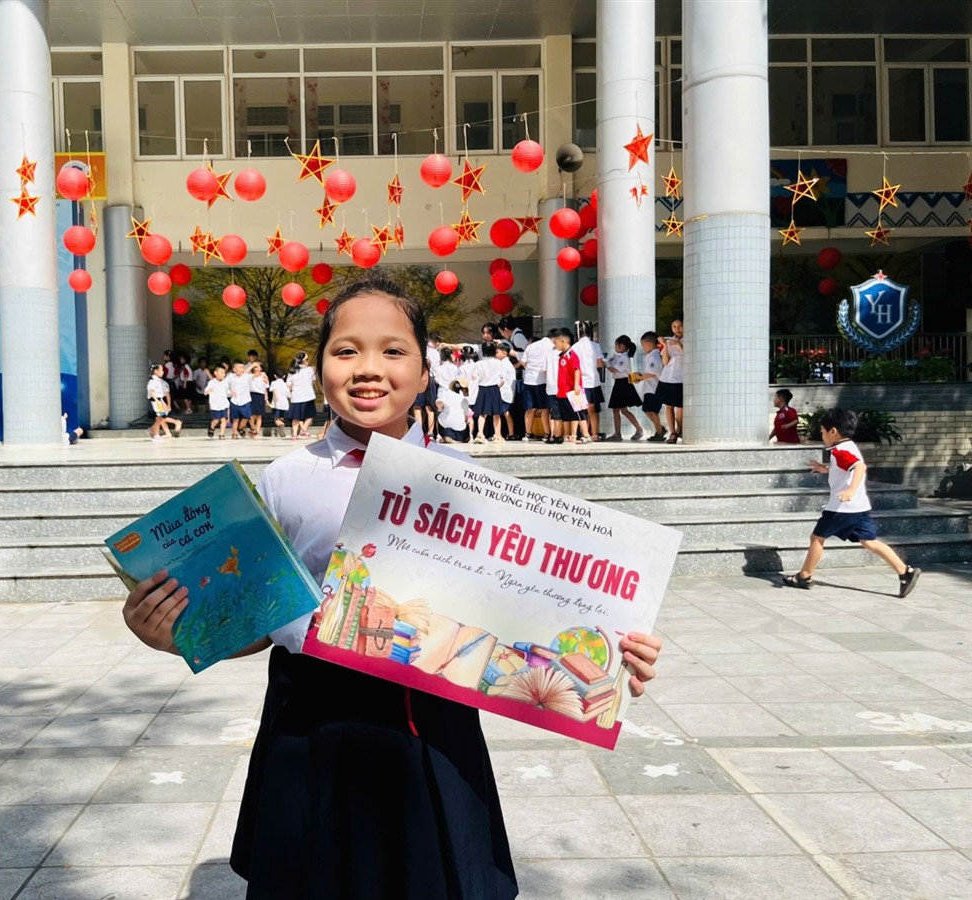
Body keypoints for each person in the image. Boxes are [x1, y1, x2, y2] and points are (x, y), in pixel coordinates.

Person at [121, 275, 666, 898]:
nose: (368, 369)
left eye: (393, 350)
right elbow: (261, 622)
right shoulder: (284, 481)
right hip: (313, 724)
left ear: (425, 371)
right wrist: (179, 631)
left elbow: (520, 615)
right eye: (345, 350)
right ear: (319, 369)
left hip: (430, 729)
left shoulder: (466, 477)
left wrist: (614, 656)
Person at [782, 408, 921, 598]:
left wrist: (850, 490)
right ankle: (905, 572)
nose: (821, 435)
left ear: (833, 431)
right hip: (859, 507)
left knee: (817, 538)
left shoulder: (839, 450)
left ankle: (804, 576)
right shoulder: (848, 446)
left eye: (822, 431)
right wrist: (826, 469)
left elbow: (859, 467)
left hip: (841, 508)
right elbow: (846, 468)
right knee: (869, 541)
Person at [605, 336, 645, 441]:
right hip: (619, 383)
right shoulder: (619, 356)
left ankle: (637, 430)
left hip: (624, 384)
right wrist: (609, 360)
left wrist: (606, 362)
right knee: (619, 410)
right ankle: (620, 433)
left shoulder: (624, 357)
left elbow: (613, 369)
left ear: (621, 345)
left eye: (616, 345)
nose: (615, 347)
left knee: (621, 410)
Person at [572, 322, 605, 441]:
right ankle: (594, 434)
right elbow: (600, 363)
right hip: (593, 381)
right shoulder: (595, 345)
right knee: (593, 410)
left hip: (580, 382)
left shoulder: (575, 347)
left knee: (581, 410)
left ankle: (584, 434)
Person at [655, 318, 684, 443]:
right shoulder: (669, 341)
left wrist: (679, 345)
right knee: (668, 405)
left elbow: (690, 356)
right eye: (674, 326)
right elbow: (665, 361)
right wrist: (665, 345)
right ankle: (672, 432)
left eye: (680, 326)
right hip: (667, 377)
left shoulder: (689, 339)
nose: (677, 329)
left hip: (681, 377)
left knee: (681, 406)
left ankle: (679, 429)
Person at [521, 329, 553, 442]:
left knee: (530, 408)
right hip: (543, 380)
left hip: (529, 380)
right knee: (544, 408)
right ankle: (547, 433)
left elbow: (523, 362)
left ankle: (527, 434)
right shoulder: (551, 347)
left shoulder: (531, 346)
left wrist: (530, 369)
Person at [471, 340, 506, 444]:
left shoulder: (479, 364)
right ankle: (497, 435)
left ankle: (480, 434)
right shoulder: (498, 363)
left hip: (482, 388)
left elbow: (474, 377)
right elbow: (503, 379)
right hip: (494, 389)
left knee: (482, 413)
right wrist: (498, 386)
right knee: (496, 414)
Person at [636, 332, 667, 441]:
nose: (643, 347)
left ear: (649, 343)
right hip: (649, 388)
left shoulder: (654, 356)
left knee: (653, 411)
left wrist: (640, 377)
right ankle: (660, 428)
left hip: (654, 388)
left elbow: (652, 373)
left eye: (643, 345)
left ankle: (659, 432)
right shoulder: (650, 356)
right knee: (647, 409)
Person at [287, 351, 317, 440]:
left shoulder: (292, 371)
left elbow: (288, 385)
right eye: (307, 359)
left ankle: (294, 434)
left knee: (295, 417)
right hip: (308, 396)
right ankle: (304, 429)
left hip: (296, 397)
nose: (308, 361)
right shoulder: (309, 370)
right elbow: (314, 381)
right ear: (304, 361)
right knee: (310, 415)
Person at [147, 364, 180, 440]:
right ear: (156, 371)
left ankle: (154, 431)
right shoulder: (152, 381)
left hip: (161, 400)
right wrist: (156, 400)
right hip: (155, 401)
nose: (163, 372)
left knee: (160, 418)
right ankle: (155, 432)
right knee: (159, 418)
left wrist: (168, 404)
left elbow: (167, 394)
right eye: (161, 370)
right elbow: (152, 392)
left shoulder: (163, 382)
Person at [493, 340, 518, 441]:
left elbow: (502, 379)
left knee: (500, 413)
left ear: (504, 353)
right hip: (508, 392)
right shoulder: (508, 364)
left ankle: (498, 434)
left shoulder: (503, 364)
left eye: (497, 352)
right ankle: (511, 433)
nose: (495, 354)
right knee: (506, 413)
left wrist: (495, 388)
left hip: (503, 392)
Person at [436, 379, 471, 443]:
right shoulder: (464, 400)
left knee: (440, 418)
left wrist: (442, 407)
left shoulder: (447, 394)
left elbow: (438, 402)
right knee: (464, 430)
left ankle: (445, 437)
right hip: (459, 428)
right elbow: (466, 418)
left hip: (445, 426)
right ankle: (455, 438)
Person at [227, 361, 253, 439]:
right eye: (240, 367)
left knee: (246, 416)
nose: (242, 369)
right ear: (234, 369)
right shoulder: (230, 377)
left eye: (243, 367)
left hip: (245, 400)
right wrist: (230, 393)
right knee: (235, 419)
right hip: (234, 400)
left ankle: (240, 427)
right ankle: (234, 433)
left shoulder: (247, 376)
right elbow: (225, 386)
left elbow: (256, 376)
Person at [203, 365, 230, 438]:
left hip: (224, 404)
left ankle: (221, 434)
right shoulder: (211, 382)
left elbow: (227, 392)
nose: (223, 374)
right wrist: (207, 391)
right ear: (215, 373)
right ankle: (212, 427)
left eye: (224, 373)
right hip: (215, 405)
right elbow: (205, 391)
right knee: (216, 420)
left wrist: (231, 393)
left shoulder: (225, 382)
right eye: (221, 372)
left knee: (223, 419)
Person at [249, 362, 270, 438]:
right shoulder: (250, 376)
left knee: (259, 415)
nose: (257, 368)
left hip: (261, 395)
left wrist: (266, 398)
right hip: (252, 395)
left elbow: (265, 388)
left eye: (258, 367)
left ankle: (257, 432)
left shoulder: (264, 376)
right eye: (255, 367)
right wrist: (252, 365)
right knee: (252, 414)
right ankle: (253, 428)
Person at [269, 371, 290, 438]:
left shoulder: (273, 383)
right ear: (284, 376)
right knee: (282, 417)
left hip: (276, 403)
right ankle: (280, 429)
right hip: (285, 404)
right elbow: (289, 395)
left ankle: (281, 425)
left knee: (276, 418)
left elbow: (272, 390)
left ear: (275, 376)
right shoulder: (285, 384)